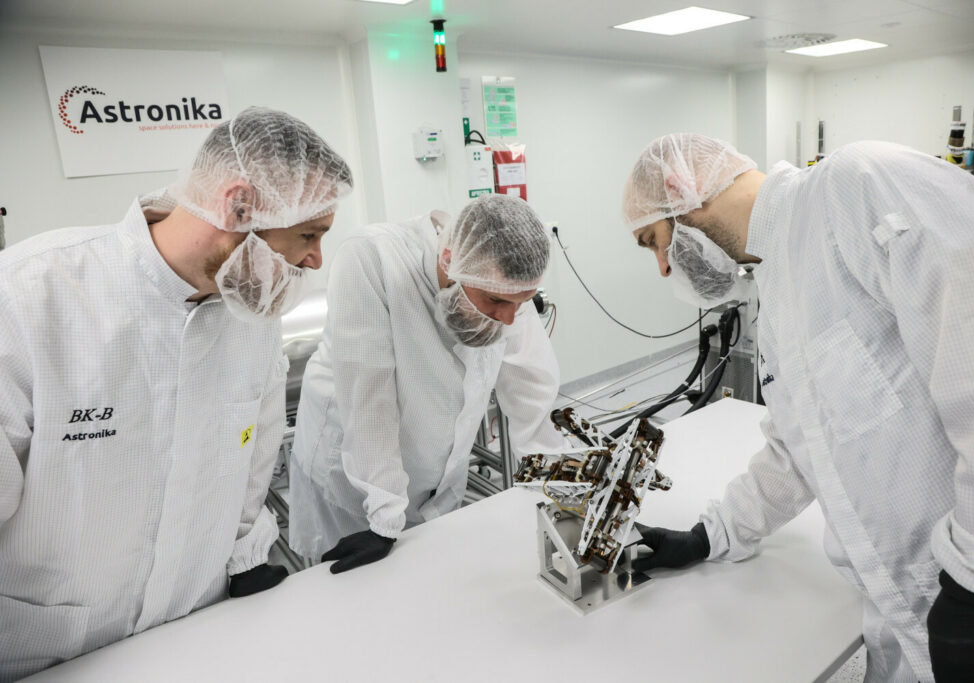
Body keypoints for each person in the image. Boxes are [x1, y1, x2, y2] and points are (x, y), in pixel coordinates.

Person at [622, 134, 974, 682]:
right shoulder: (777, 287)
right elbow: (801, 446)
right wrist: (710, 535)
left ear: (680, 189)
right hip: (903, 616)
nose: (663, 268)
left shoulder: (858, 186)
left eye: (653, 241)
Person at [0, 106, 352, 680]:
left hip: (197, 633)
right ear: (239, 207)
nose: (314, 259)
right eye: (309, 234)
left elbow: (254, 461)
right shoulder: (29, 297)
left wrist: (247, 558)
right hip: (46, 651)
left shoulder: (252, 315)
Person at [289, 194, 566, 572]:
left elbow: (533, 391)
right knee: (354, 593)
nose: (508, 319)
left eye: (520, 303)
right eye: (495, 301)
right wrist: (383, 513)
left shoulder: (502, 281)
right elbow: (368, 399)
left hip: (434, 477)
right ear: (448, 261)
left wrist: (566, 488)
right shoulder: (373, 258)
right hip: (353, 482)